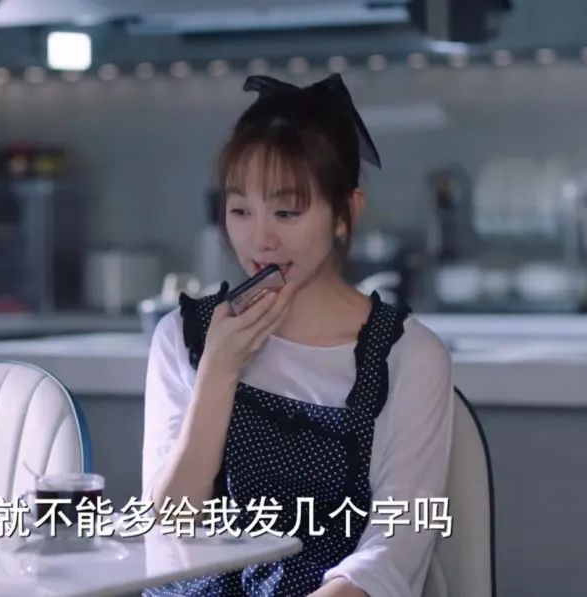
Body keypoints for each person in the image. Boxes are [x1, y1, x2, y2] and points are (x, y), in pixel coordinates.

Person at [142, 73, 454, 597]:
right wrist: (217, 372)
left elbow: (393, 554)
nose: (259, 239)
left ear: (346, 213)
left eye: (286, 212)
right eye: (240, 211)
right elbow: (164, 532)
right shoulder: (184, 335)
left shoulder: (408, 356)